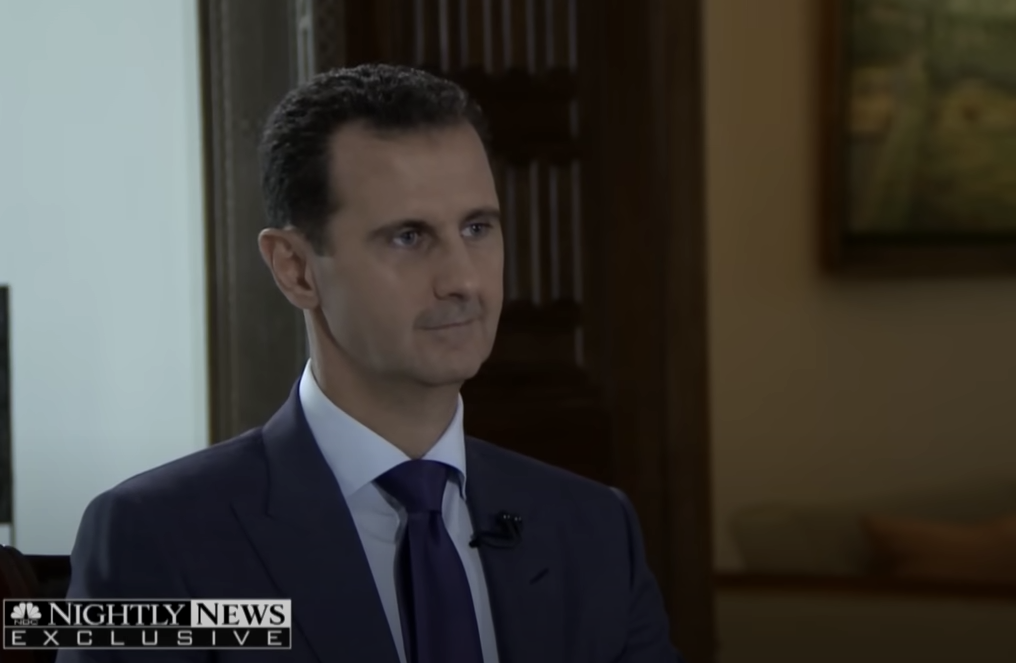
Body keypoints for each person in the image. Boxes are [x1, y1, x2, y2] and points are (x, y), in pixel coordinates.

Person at [59, 64, 684, 663]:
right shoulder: (159, 537)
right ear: (296, 269)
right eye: (408, 237)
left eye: (477, 228)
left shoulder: (595, 531)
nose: (464, 280)